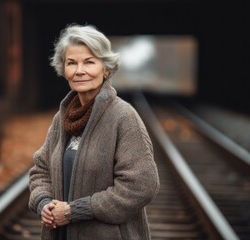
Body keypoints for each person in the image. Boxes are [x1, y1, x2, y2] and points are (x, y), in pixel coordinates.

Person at [28, 24, 160, 240]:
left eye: (89, 62)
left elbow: (142, 185)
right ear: (64, 70)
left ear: (105, 68)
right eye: (72, 63)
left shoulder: (123, 117)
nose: (79, 70)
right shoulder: (61, 119)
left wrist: (73, 211)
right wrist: (43, 203)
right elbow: (40, 170)